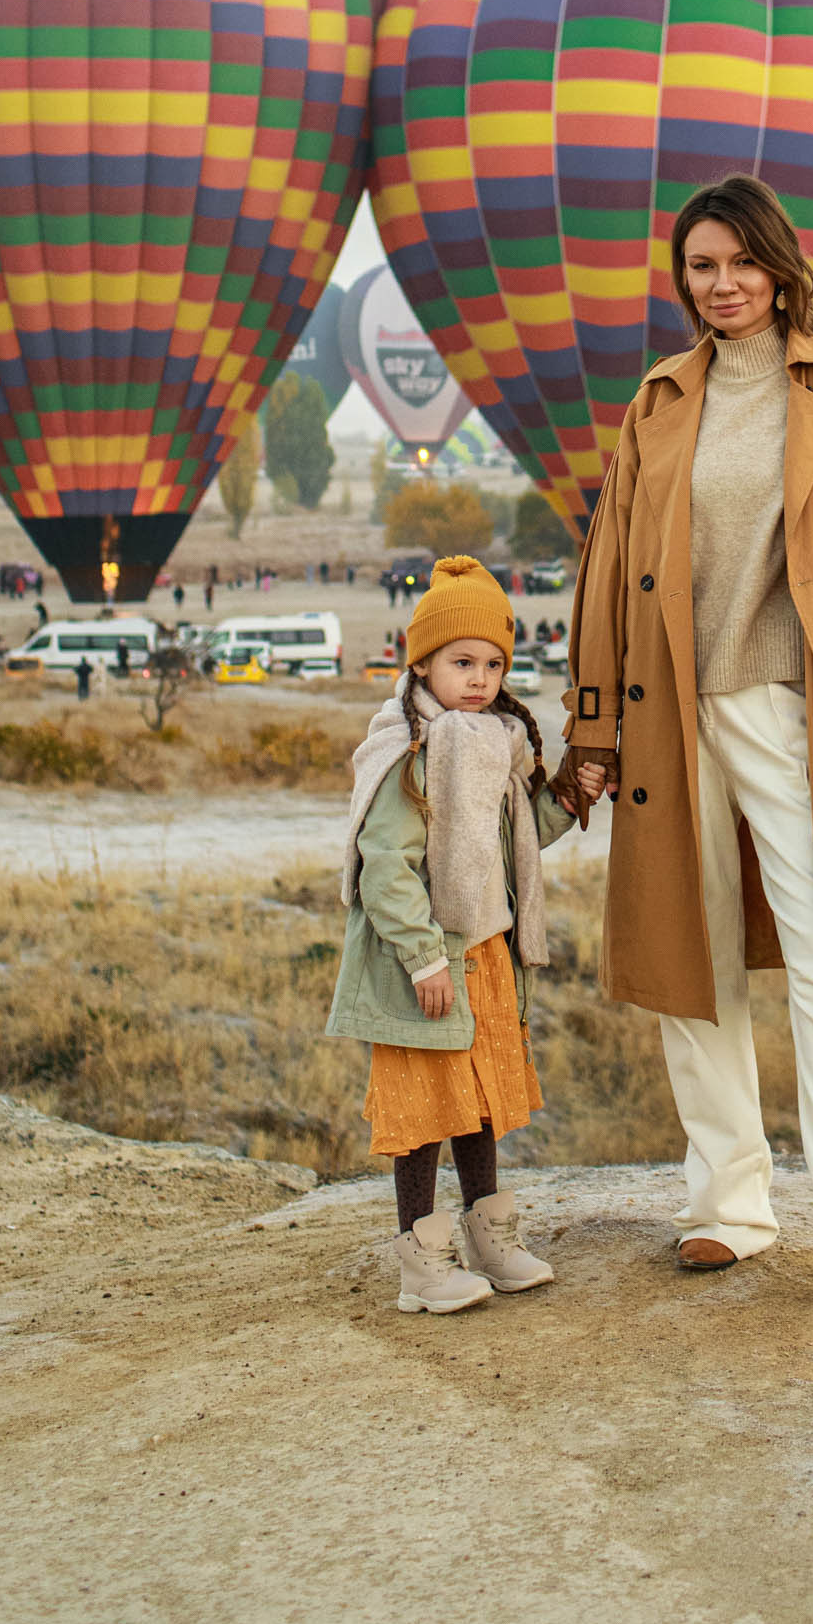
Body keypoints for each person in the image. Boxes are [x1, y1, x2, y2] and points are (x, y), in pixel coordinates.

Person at [563, 171, 813, 1323]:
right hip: (668, 712)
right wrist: (592, 721)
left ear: (780, 267)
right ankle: (727, 1206)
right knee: (695, 965)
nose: (721, 285)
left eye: (740, 263)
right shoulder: (660, 400)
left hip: (791, 710)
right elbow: (608, 565)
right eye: (700, 267)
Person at [327, 555, 582, 1316]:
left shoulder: (497, 743)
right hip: (425, 966)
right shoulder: (409, 751)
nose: (479, 678)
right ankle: (422, 1262)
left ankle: (489, 1238)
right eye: (461, 662)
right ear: (422, 663)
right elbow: (385, 868)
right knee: (422, 1114)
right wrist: (424, 959)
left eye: (493, 664)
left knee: (479, 1104)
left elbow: (514, 845)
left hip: (486, 957)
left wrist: (569, 797)